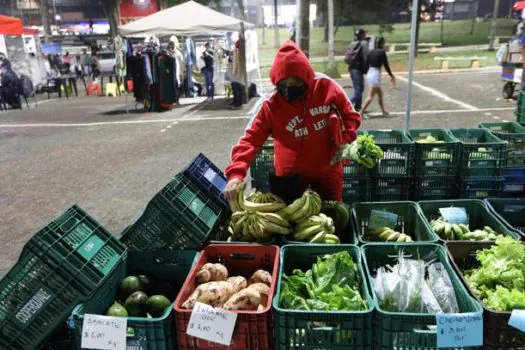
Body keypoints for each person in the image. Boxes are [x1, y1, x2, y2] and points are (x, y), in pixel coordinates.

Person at [224, 41, 361, 203]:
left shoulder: (325, 86)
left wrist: (345, 139)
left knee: (332, 220)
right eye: (283, 84)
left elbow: (351, 115)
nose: (289, 88)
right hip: (288, 179)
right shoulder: (270, 104)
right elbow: (250, 141)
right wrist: (236, 175)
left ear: (306, 78)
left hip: (327, 174)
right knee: (291, 224)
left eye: (295, 83)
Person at [360, 36, 395, 117]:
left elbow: (366, 66)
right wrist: (391, 75)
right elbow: (386, 65)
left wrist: (366, 74)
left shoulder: (371, 52)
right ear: (382, 43)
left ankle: (383, 111)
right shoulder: (382, 52)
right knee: (370, 96)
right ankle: (360, 112)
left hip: (370, 73)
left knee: (380, 94)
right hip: (375, 74)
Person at [346, 28, 369, 112]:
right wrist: (367, 68)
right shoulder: (364, 43)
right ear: (362, 35)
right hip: (358, 69)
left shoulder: (352, 43)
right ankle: (345, 104)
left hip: (352, 69)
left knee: (358, 89)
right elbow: (366, 56)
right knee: (359, 90)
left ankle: (358, 107)